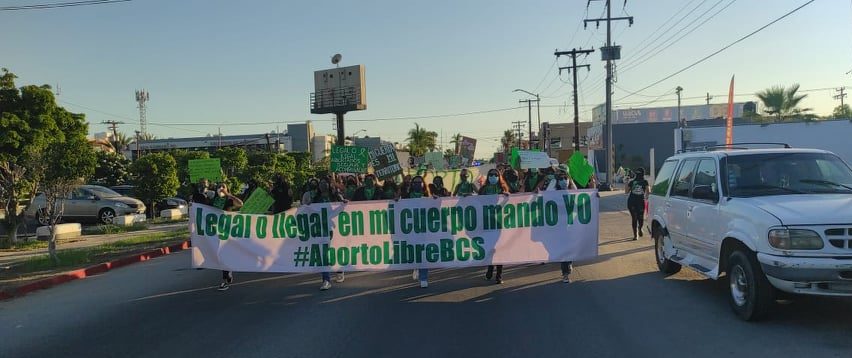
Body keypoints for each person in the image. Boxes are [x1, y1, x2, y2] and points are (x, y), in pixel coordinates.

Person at [313, 178, 347, 290]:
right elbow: (311, 210)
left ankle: (339, 270)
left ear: (328, 184)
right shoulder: (316, 198)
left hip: (335, 228)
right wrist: (307, 206)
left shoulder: (334, 195)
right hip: (322, 229)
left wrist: (343, 202)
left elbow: (342, 203)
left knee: (334, 250)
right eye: (321, 183)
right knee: (324, 254)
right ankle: (326, 280)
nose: (323, 185)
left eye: (325, 183)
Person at [478, 169, 509, 283]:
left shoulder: (503, 189)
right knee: (490, 248)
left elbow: (511, 200)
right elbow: (476, 201)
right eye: (490, 175)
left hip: (499, 222)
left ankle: (499, 275)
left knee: (499, 248)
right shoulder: (483, 189)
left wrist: (507, 196)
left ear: (499, 176)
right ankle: (490, 270)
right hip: (487, 222)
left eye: (495, 175)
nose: (492, 177)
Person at [212, 183, 244, 291]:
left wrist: (228, 194)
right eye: (219, 187)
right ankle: (227, 273)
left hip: (227, 230)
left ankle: (225, 278)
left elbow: (240, 204)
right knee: (220, 254)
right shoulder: (214, 200)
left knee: (225, 252)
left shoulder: (228, 200)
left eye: (223, 187)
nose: (220, 188)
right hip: (215, 230)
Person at [404, 175, 432, 288]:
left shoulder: (427, 196)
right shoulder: (406, 196)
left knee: (423, 253)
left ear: (423, 184)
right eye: (414, 182)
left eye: (419, 182)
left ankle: (423, 277)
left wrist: (435, 200)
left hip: (423, 229)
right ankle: (416, 266)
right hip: (410, 229)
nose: (417, 184)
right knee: (413, 251)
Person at [625, 167, 650, 240]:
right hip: (640, 202)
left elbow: (626, 192)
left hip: (631, 202)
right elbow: (648, 191)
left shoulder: (632, 182)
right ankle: (639, 230)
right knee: (640, 218)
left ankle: (636, 235)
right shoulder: (645, 182)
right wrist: (646, 196)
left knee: (634, 218)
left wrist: (626, 182)